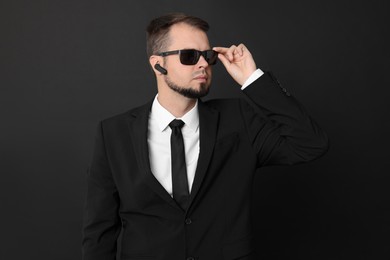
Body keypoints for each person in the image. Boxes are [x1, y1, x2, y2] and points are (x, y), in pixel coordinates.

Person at [82, 13, 328, 260]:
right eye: (189, 56)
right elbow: (99, 233)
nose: (203, 64)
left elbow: (310, 144)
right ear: (158, 64)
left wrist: (252, 79)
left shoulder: (238, 119)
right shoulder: (113, 133)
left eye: (208, 56)